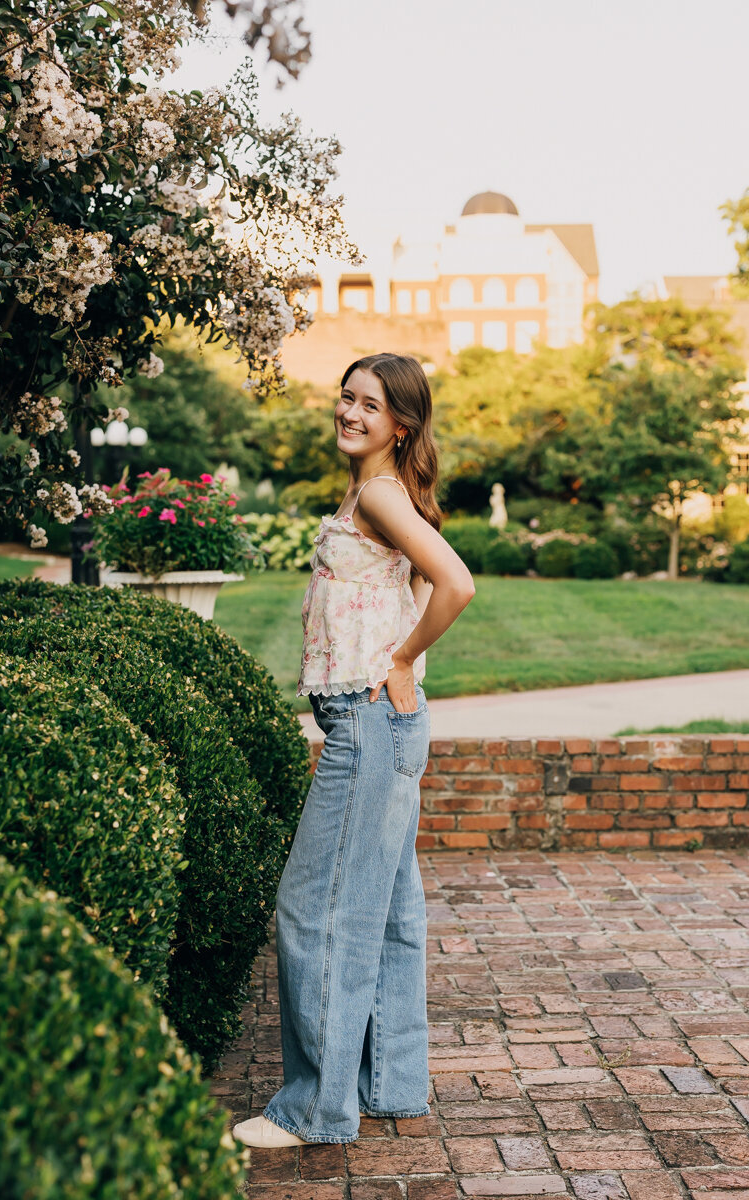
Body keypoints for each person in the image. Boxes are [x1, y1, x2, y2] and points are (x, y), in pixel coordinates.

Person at [233, 352, 475, 1149]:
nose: (350, 413)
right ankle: (389, 1086)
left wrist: (400, 659)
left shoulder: (376, 492)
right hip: (386, 726)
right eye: (346, 397)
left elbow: (455, 583)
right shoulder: (378, 489)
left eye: (369, 405)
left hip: (370, 724)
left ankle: (313, 1110)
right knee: (391, 909)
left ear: (399, 424)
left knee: (315, 909)